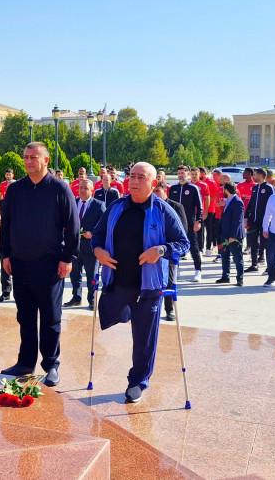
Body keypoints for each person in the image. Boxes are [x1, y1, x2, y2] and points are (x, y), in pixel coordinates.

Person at [91, 162, 190, 404]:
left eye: (141, 178)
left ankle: (138, 380)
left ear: (153, 183)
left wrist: (161, 249)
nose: (134, 181)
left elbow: (183, 243)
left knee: (144, 337)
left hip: (149, 286)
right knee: (111, 318)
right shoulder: (116, 207)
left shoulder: (163, 211)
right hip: (118, 282)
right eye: (132, 176)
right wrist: (98, 251)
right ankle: (125, 317)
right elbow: (97, 234)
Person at [0, 142, 79, 387]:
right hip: (20, 263)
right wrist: (6, 254)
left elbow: (73, 225)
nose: (28, 161)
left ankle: (51, 364)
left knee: (51, 317)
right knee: (25, 316)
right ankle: (25, 362)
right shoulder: (16, 190)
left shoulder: (59, 189)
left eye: (33, 157)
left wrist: (67, 258)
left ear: (45, 160)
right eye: (25, 157)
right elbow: (7, 224)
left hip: (50, 265)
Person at [65, 179, 105, 309]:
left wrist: (92, 233)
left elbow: (104, 225)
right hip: (74, 247)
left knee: (91, 276)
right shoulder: (73, 203)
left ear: (92, 190)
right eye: (81, 188)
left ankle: (92, 300)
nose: (82, 191)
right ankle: (76, 297)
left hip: (90, 248)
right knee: (75, 274)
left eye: (86, 188)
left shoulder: (98, 205)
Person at [153, 181, 187, 321]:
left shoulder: (175, 207)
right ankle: (154, 308)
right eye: (154, 192)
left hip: (168, 251)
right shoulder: (151, 207)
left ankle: (169, 309)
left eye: (158, 192)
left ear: (165, 192)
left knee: (169, 281)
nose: (156, 195)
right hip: (152, 250)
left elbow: (183, 230)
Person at [168, 165, 203, 282]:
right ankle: (176, 269)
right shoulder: (173, 188)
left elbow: (199, 206)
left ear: (188, 174)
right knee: (175, 245)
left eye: (183, 173)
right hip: (176, 222)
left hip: (190, 221)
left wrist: (198, 221)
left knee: (193, 245)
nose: (180, 175)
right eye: (179, 173)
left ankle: (198, 270)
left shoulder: (193, 188)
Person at [245, 168, 274, 272]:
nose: (253, 176)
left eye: (255, 174)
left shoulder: (269, 188)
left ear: (261, 176)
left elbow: (273, 204)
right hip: (253, 220)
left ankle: (269, 266)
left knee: (266, 243)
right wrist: (246, 215)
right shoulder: (255, 188)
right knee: (253, 242)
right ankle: (254, 264)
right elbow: (251, 202)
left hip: (265, 221)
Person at [216, 182, 245, 286]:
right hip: (225, 234)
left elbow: (238, 221)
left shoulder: (237, 202)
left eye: (223, 190)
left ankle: (240, 278)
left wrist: (233, 235)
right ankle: (225, 276)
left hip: (234, 236)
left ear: (226, 190)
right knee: (225, 256)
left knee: (237, 257)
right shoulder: (229, 201)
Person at [0, 169, 16, 302]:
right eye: (8, 188)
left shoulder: (22, 203)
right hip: (5, 240)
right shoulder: (1, 203)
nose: (9, 190)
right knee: (5, 268)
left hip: (19, 241)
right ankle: (5, 292)